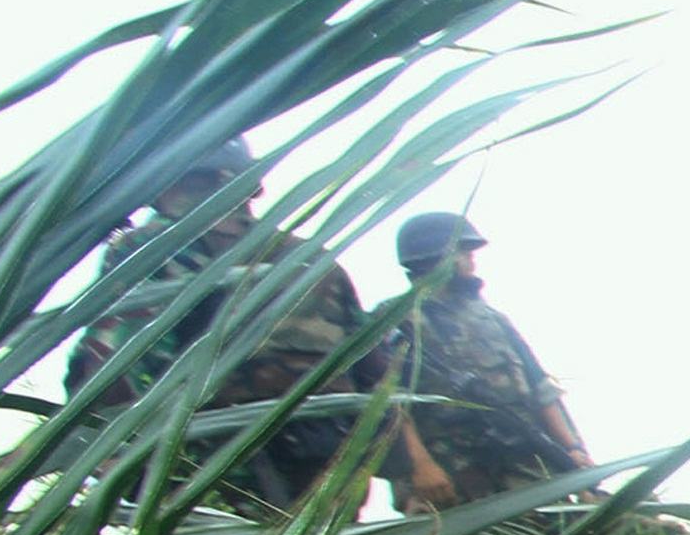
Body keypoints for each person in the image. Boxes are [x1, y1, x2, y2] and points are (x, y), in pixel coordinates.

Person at [66, 140, 377, 511]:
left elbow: (110, 364)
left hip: (203, 483)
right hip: (323, 481)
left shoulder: (153, 247)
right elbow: (374, 375)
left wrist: (110, 458)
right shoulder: (308, 259)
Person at [382, 212, 592, 509]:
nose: (472, 259)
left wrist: (571, 450)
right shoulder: (394, 320)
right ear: (438, 256)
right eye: (463, 251)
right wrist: (420, 466)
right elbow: (390, 405)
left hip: (524, 465)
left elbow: (540, 388)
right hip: (449, 474)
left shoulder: (491, 318)